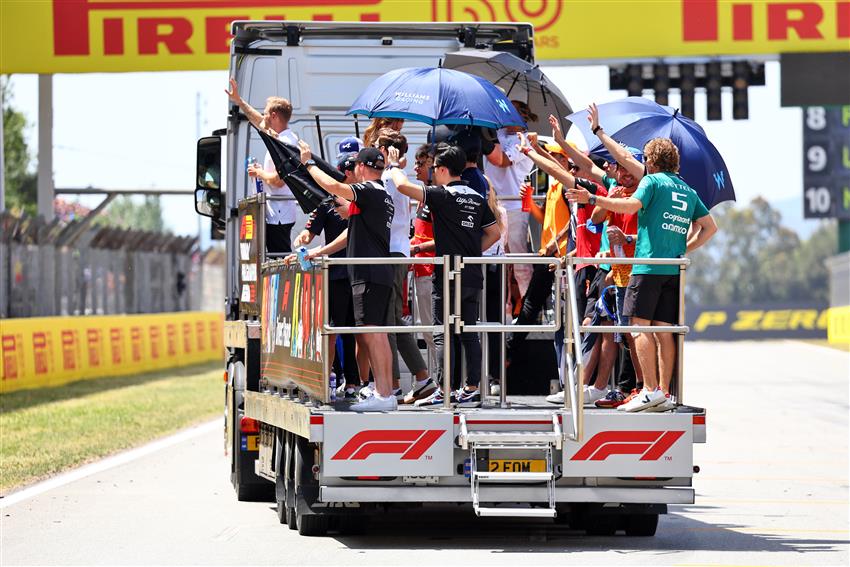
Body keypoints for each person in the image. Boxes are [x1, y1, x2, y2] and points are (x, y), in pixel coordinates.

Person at [567, 104, 718, 412]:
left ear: (651, 161)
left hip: (647, 266)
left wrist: (593, 198)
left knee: (638, 326)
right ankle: (662, 391)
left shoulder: (651, 181)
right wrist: (684, 249)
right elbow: (710, 227)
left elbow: (630, 207)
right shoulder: (686, 190)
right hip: (672, 269)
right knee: (663, 330)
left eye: (645, 159)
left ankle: (649, 389)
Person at [386, 144, 501, 407]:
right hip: (471, 273)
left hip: (447, 273)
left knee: (442, 333)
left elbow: (403, 187)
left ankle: (444, 389)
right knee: (468, 332)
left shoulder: (442, 195)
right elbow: (494, 234)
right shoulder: (476, 197)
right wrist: (471, 251)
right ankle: (472, 388)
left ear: (441, 169)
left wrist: (393, 167)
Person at [513, 134, 614, 406]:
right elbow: (574, 231)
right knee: (572, 327)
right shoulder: (574, 195)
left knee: (588, 326)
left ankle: (583, 386)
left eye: (574, 167)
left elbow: (558, 169)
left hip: (592, 268)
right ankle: (577, 384)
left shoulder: (597, 194)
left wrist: (532, 151)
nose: (569, 171)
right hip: (574, 264)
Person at [298, 142, 397, 412]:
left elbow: (334, 187)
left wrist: (308, 164)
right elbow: (349, 234)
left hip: (369, 272)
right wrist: (320, 251)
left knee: (372, 333)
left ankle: (384, 394)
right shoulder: (381, 194)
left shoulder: (368, 190)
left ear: (362, 168)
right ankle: (384, 392)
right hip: (376, 272)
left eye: (355, 167)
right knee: (374, 333)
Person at [291, 153, 360, 400]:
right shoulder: (327, 202)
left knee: (359, 332)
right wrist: (303, 238)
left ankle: (357, 382)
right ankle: (330, 377)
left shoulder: (364, 196)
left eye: (355, 169)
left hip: (361, 272)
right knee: (333, 329)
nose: (351, 173)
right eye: (347, 170)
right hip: (337, 274)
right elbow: (310, 231)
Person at [373, 129, 434, 403]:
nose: (374, 153)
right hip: (397, 251)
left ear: (387, 152)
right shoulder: (396, 176)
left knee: (390, 319)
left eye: (378, 148)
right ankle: (417, 378)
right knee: (393, 318)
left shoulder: (388, 177)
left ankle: (404, 381)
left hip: (391, 253)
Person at [589, 148, 646, 404]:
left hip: (639, 272)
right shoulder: (617, 193)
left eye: (629, 168)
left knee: (636, 334)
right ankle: (636, 387)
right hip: (620, 274)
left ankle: (643, 386)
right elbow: (595, 218)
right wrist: (609, 197)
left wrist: (627, 239)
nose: (624, 174)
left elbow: (646, 235)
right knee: (626, 334)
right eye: (620, 168)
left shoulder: (646, 192)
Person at [225, 77, 298, 254]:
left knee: (278, 258)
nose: (263, 115)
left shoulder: (286, 142)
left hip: (280, 213)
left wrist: (259, 172)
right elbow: (258, 120)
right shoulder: (278, 136)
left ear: (274, 116)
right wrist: (239, 101)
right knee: (273, 258)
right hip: (276, 212)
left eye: (266, 112)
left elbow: (279, 181)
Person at [483, 101, 536, 298]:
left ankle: (529, 315)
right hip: (493, 204)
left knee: (520, 263)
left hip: (514, 207)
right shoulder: (498, 134)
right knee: (497, 264)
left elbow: (500, 160)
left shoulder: (525, 141)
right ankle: (503, 312)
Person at [409, 145, 439, 381]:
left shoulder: (438, 196)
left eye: (421, 163)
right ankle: (435, 382)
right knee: (427, 332)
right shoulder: (424, 196)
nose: (415, 168)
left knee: (433, 332)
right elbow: (419, 234)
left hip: (430, 270)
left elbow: (444, 238)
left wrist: (416, 248)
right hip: (420, 269)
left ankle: (441, 383)